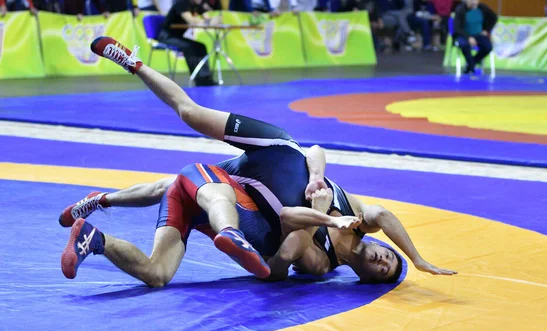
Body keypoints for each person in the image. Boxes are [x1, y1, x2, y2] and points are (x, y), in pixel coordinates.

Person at [63, 35, 456, 282]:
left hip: (239, 183)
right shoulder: (360, 219)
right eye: (391, 256)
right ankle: (134, 62)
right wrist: (417, 259)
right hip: (278, 151)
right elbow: (317, 152)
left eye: (384, 269)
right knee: (189, 114)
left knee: (173, 199)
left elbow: (283, 245)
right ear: (382, 244)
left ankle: (99, 213)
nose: (385, 261)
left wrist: (322, 216)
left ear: (367, 278)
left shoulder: (321, 264)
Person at [61, 161, 363, 287]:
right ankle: (100, 200)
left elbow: (283, 263)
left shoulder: (303, 256)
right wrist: (324, 213)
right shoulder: (303, 219)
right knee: (208, 200)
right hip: (212, 186)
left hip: (193, 208)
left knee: (157, 275)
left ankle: (94, 238)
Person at [159, 0, 214, 85]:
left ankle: (205, 77)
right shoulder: (182, 3)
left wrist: (212, 20)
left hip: (178, 37)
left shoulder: (197, 6)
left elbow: (208, 19)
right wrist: (206, 21)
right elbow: (191, 21)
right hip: (167, 36)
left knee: (201, 46)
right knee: (189, 47)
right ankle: (197, 79)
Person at [453, 0, 497, 74]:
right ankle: (471, 66)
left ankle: (471, 64)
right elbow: (457, 28)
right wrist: (469, 37)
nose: (474, 3)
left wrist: (487, 30)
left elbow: (494, 17)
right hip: (463, 34)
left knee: (488, 47)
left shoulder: (482, 7)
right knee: (465, 45)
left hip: (478, 34)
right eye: (472, 1)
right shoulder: (460, 10)